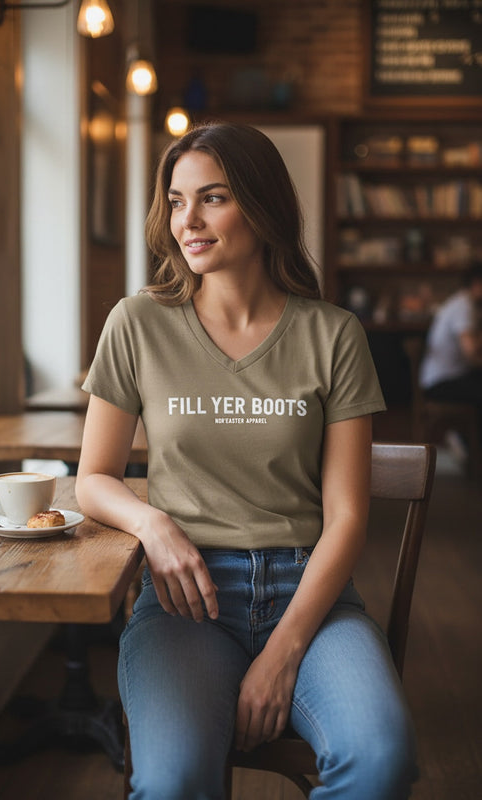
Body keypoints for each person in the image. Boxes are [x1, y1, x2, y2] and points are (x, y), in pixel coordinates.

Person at [75, 122, 417, 799]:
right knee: (172, 782)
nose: (187, 221)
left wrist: (283, 652)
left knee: (380, 759)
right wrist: (153, 525)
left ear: (261, 206)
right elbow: (92, 477)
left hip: (311, 594)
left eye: (212, 198)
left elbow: (346, 516)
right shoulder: (137, 324)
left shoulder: (333, 335)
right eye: (175, 201)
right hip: (184, 601)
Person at [420, 262, 482, 406]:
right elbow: (471, 351)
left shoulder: (463, 302)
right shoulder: (463, 307)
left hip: (448, 377)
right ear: (477, 283)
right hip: (441, 382)